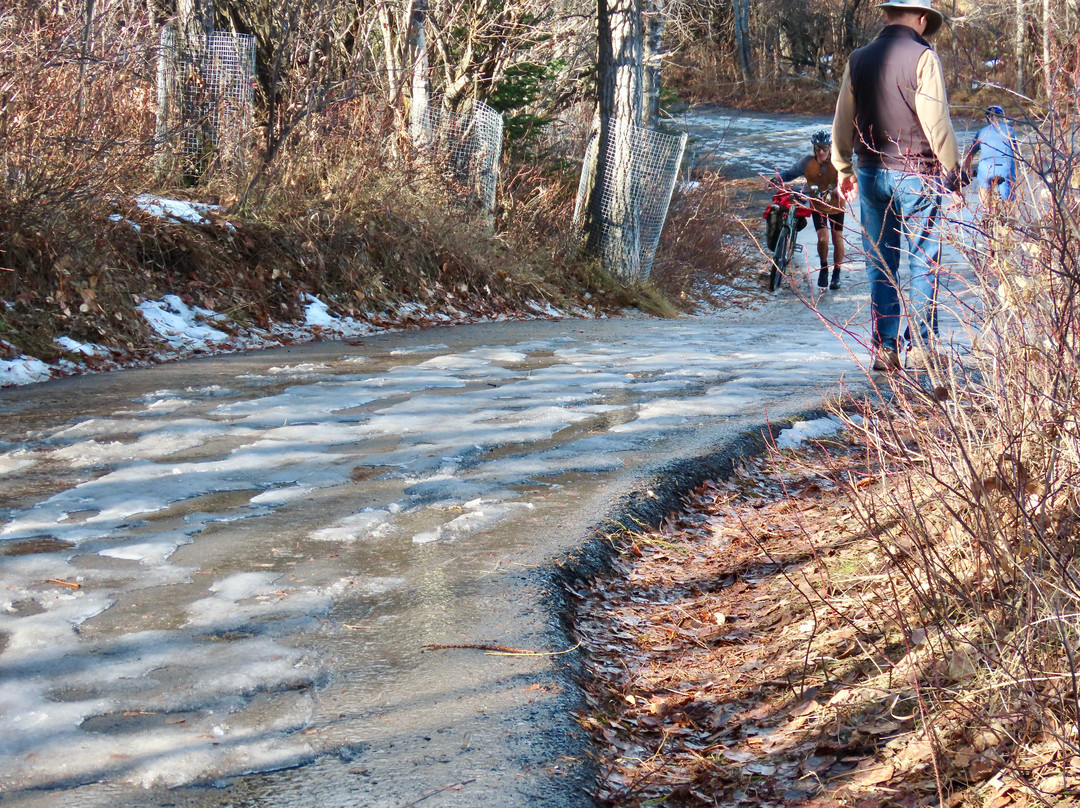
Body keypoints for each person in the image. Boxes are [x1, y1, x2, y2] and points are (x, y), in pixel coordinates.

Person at [831, 0, 962, 372]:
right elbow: (936, 122)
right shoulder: (923, 57)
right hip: (917, 173)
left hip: (871, 174)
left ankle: (885, 349)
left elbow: (843, 117)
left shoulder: (858, 58)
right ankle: (921, 347)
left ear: (888, 15)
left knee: (881, 263)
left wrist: (843, 167)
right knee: (923, 261)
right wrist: (952, 173)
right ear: (922, 19)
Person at [774, 130, 847, 290]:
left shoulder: (838, 161)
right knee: (823, 239)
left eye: (824, 148)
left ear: (830, 148)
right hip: (817, 204)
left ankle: (837, 272)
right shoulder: (807, 162)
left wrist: (839, 189)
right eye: (817, 148)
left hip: (836, 205)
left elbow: (848, 177)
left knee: (837, 238)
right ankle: (823, 268)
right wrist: (775, 180)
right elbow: (789, 173)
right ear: (814, 149)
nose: (821, 152)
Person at [962, 105, 1019, 209]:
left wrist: (966, 170)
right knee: (1009, 205)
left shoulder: (982, 132)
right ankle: (1010, 220)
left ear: (987, 119)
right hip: (1006, 167)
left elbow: (971, 154)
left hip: (987, 167)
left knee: (985, 198)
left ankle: (986, 216)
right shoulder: (1010, 131)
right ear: (1003, 117)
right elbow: (1016, 155)